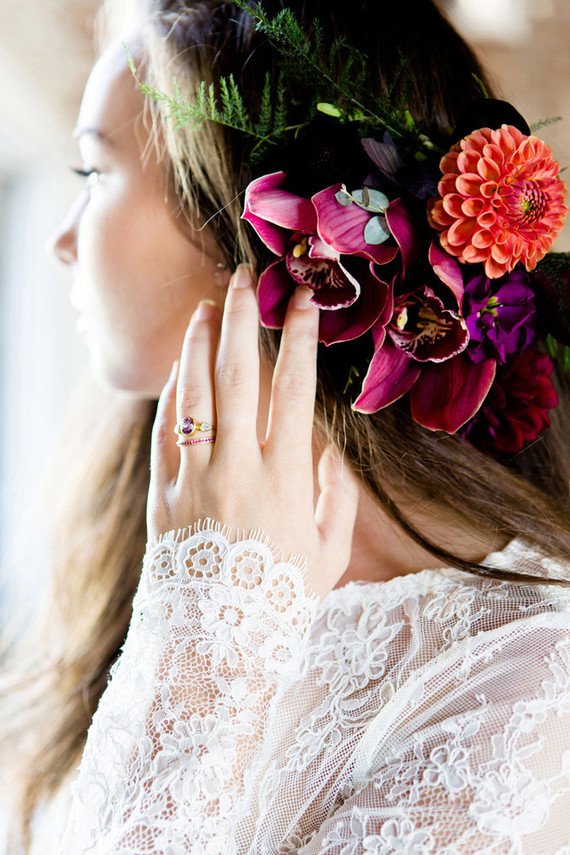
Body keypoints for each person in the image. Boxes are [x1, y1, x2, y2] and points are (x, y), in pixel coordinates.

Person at [1, 0, 570, 851]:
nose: (60, 242)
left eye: (94, 175)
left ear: (244, 226)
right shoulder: (142, 522)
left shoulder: (525, 683)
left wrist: (216, 621)